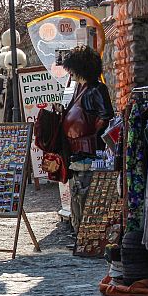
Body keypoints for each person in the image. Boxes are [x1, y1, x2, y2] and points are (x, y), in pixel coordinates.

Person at [61, 46, 114, 234]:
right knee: (77, 196)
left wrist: (91, 138)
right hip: (76, 153)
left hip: (90, 154)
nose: (70, 73)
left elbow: (105, 118)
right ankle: (80, 232)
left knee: (85, 196)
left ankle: (87, 234)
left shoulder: (96, 90)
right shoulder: (78, 89)